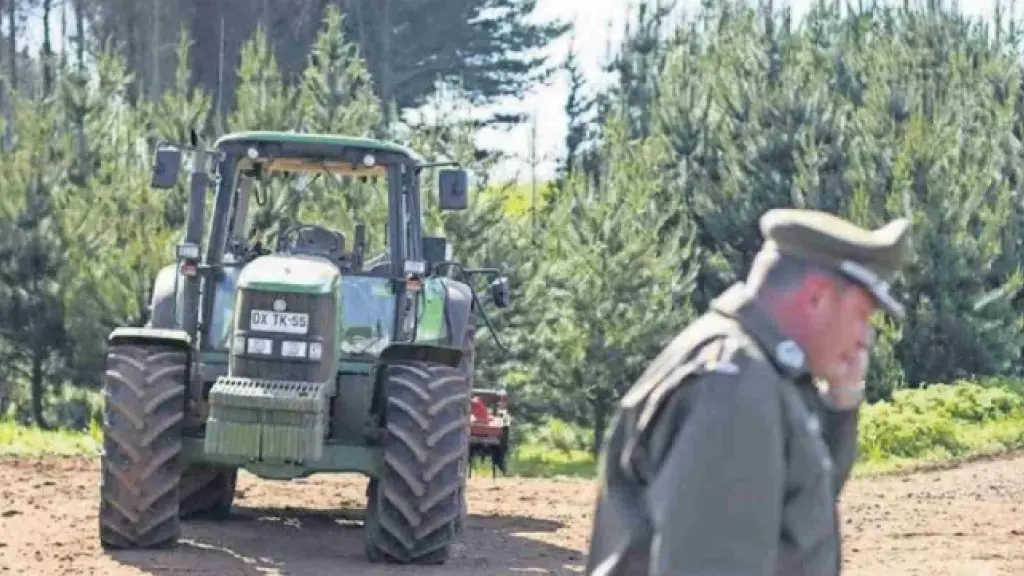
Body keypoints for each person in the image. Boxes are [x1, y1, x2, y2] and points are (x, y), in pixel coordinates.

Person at [584, 208, 912, 576]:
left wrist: (842, 399)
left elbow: (798, 508)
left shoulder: (758, 370)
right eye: (862, 315)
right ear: (816, 297)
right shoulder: (732, 384)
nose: (865, 337)